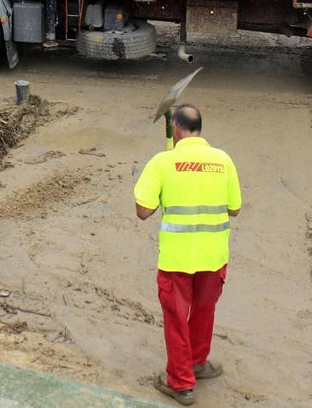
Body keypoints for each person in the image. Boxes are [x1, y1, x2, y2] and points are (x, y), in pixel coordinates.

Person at [134, 104, 242, 406]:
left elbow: (143, 212)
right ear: (199, 129)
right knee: (204, 310)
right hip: (214, 255)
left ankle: (181, 384)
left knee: (176, 318)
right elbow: (234, 209)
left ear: (176, 130)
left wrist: (163, 187)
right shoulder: (223, 160)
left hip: (177, 258)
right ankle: (197, 363)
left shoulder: (162, 162)